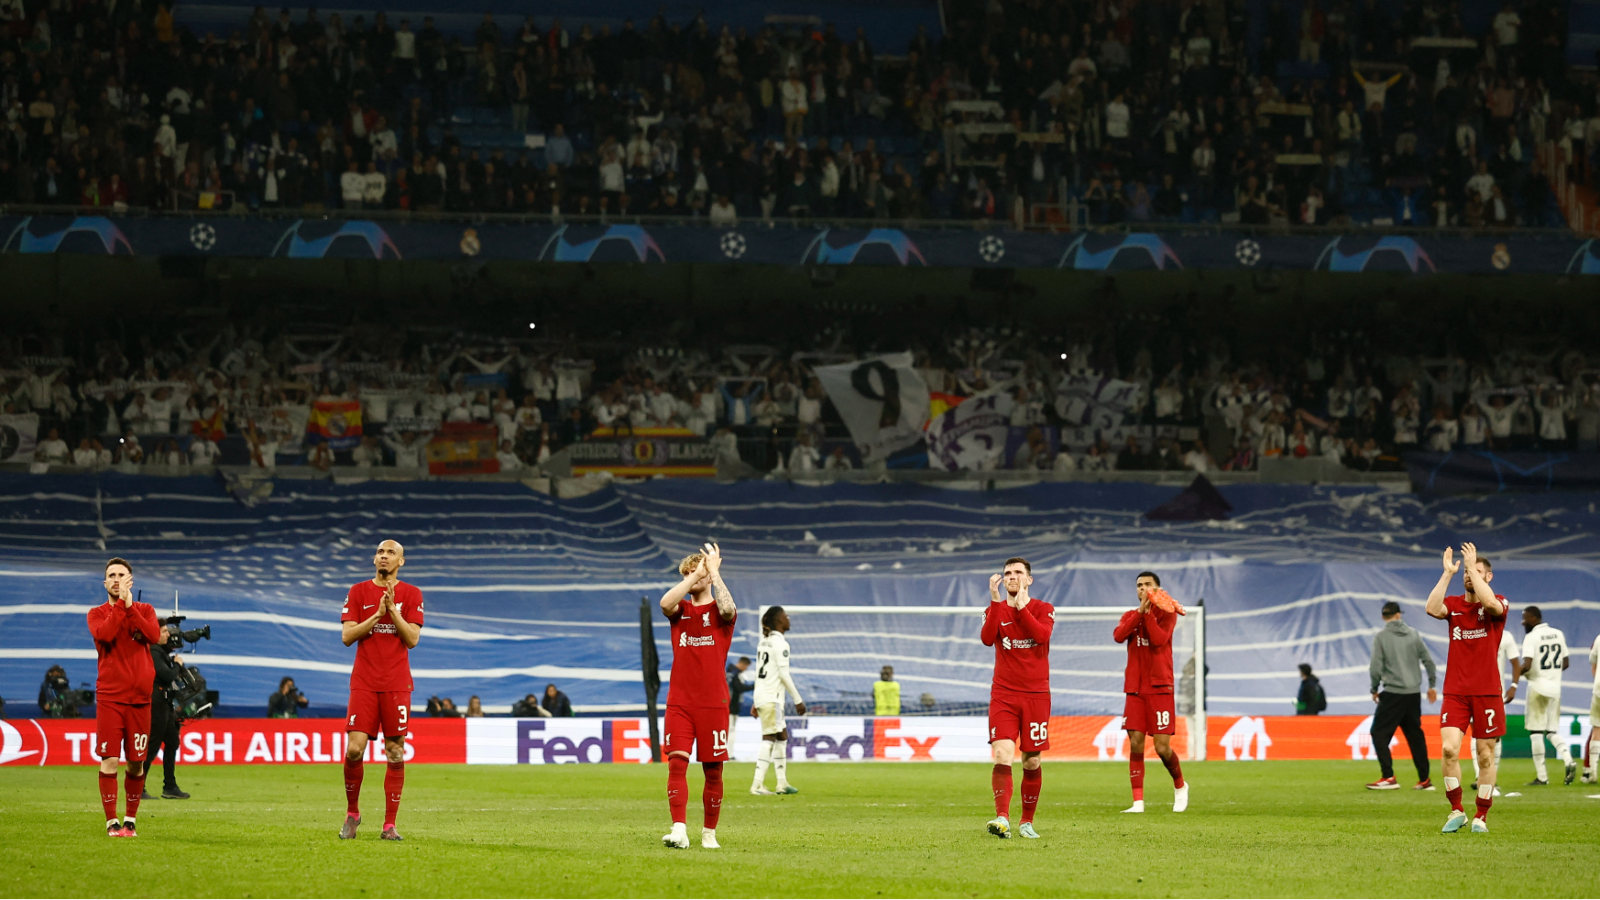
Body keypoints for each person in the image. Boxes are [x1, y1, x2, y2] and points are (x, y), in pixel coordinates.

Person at [339, 540, 424, 842]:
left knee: (395, 750)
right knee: (354, 749)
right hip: (364, 681)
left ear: (401, 561)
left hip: (397, 684)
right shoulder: (358, 591)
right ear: (374, 558)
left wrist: (393, 611)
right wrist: (376, 615)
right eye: (380, 552)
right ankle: (352, 813)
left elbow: (412, 639)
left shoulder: (412, 594)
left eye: (390, 553)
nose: (383, 557)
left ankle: (389, 825)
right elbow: (347, 635)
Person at [658, 543, 736, 850]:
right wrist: (694, 576)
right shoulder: (681, 611)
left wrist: (713, 573)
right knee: (676, 763)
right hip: (680, 702)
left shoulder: (720, 612)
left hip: (713, 702)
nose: (694, 576)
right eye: (688, 573)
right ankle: (678, 829)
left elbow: (728, 608)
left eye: (697, 571)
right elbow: (665, 603)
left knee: (713, 769)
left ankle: (709, 834)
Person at [1426, 543, 1508, 833]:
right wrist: (1449, 573)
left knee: (1485, 755)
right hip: (1456, 692)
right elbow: (1431, 608)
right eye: (1467, 573)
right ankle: (1456, 810)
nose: (1469, 576)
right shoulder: (1455, 606)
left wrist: (1472, 567)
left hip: (1487, 693)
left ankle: (1481, 816)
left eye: (1476, 571)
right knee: (1449, 749)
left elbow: (1490, 605)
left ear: (1488, 576)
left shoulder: (1499, 604)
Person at [86, 558, 162, 837]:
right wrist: (121, 606)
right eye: (111, 575)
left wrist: (130, 607)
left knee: (136, 761)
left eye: (122, 575)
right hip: (110, 698)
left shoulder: (146, 610)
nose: (116, 579)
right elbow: (105, 634)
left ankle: (130, 820)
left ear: (131, 580)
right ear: (105, 583)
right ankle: (111, 822)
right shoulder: (95, 614)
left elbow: (153, 635)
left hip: (141, 700)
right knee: (110, 759)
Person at [981, 556, 1054, 840]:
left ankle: (1027, 822)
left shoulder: (1044, 609)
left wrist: (1022, 605)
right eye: (1008, 573)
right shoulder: (995, 609)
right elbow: (988, 638)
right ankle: (1002, 818)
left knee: (1031, 761)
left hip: (1036, 695)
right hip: (1004, 695)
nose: (1012, 576)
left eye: (1018, 573)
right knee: (1002, 754)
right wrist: (995, 599)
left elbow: (1041, 635)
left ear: (1029, 579)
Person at [1113, 571, 1188, 815]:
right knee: (1135, 742)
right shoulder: (1130, 616)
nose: (1143, 588)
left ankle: (1180, 785)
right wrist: (1139, 615)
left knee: (1162, 747)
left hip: (1160, 688)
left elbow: (1157, 640)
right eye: (1139, 585)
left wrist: (1148, 617)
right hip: (1135, 689)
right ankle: (1138, 803)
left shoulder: (1167, 615)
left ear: (1157, 590)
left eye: (1148, 585)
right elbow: (1118, 635)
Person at [1366, 601, 1437, 790]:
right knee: (1415, 737)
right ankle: (1424, 780)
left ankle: (1388, 777)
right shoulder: (1413, 634)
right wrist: (1432, 685)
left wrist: (1374, 689)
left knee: (1378, 733)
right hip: (1413, 694)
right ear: (1398, 615)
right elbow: (1429, 662)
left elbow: (1375, 667)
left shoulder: (1381, 637)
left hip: (1393, 693)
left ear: (1384, 617)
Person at [750, 606, 806, 796]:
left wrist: (755, 700)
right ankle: (757, 785)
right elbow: (783, 674)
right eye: (786, 616)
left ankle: (781, 783)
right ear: (780, 621)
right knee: (769, 738)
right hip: (772, 698)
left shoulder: (763, 643)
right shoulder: (781, 644)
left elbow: (760, 675)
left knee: (782, 736)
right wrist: (798, 700)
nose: (789, 619)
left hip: (764, 696)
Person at [1515, 607, 1571, 785]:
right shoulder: (1558, 634)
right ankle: (1568, 759)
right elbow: (1566, 662)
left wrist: (1518, 673)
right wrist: (1552, 675)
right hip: (1555, 688)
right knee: (1552, 731)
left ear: (1534, 618)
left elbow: (1528, 664)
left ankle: (1542, 777)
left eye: (1525, 619)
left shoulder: (1531, 637)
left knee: (1536, 731)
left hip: (1537, 688)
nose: (1523, 622)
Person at [147, 624, 190, 799]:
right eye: (164, 631)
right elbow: (167, 676)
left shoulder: (161, 652)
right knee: (153, 745)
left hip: (164, 703)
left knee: (172, 742)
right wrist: (177, 665)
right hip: (157, 704)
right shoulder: (154, 651)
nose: (168, 634)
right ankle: (138, 787)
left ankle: (170, 786)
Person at [726, 657, 751, 743]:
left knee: (728, 730)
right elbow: (739, 688)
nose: (745, 669)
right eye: (746, 667)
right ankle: (729, 754)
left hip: (727, 705)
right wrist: (755, 685)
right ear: (742, 664)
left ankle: (727, 753)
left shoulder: (729, 672)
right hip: (731, 706)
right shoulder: (735, 674)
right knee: (731, 730)